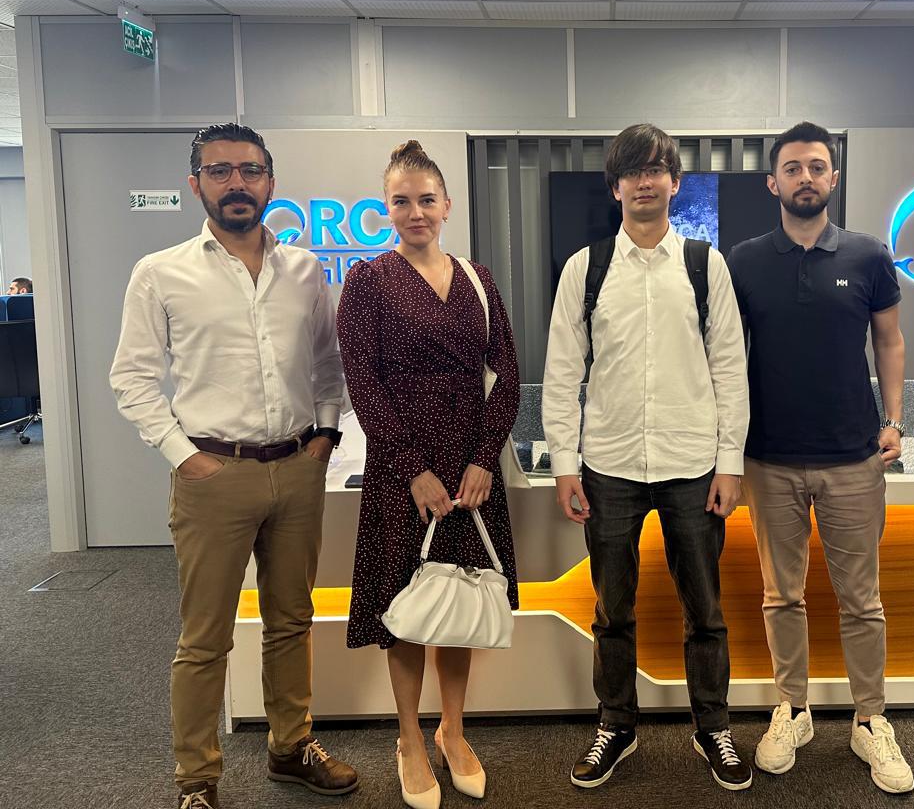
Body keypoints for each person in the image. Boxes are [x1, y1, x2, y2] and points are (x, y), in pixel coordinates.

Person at [109, 123, 358, 809]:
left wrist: (325, 437)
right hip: (213, 475)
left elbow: (328, 364)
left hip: (298, 469)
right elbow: (131, 378)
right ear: (196, 185)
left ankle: (290, 747)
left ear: (270, 182)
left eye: (249, 171)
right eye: (219, 171)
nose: (236, 183)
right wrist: (184, 457)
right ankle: (197, 779)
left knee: (292, 620)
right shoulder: (160, 272)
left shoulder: (304, 270)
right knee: (205, 638)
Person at [543, 123, 752, 792]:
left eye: (656, 169)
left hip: (693, 465)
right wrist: (566, 463)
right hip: (609, 466)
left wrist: (730, 461)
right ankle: (616, 724)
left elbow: (730, 368)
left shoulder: (704, 265)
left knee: (705, 611)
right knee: (612, 610)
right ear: (615, 186)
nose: (644, 181)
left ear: (674, 183)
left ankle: (713, 726)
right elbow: (561, 372)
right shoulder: (586, 268)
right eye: (632, 171)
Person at [726, 121, 914, 794]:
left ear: (833, 178)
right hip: (769, 459)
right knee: (782, 596)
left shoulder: (868, 255)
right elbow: (726, 356)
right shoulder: (743, 260)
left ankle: (870, 720)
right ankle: (794, 709)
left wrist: (894, 421)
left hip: (853, 458)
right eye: (792, 168)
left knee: (862, 600)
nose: (805, 177)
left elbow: (889, 342)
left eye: (816, 166)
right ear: (772, 183)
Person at [337, 140, 520, 809]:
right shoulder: (368, 281)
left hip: (471, 468)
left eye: (425, 200)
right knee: (408, 609)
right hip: (402, 471)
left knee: (460, 601)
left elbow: (508, 374)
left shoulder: (478, 279)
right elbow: (363, 384)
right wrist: (412, 468)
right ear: (386, 209)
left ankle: (453, 731)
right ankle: (410, 739)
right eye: (401, 201)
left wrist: (484, 457)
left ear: (447, 205)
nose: (415, 212)